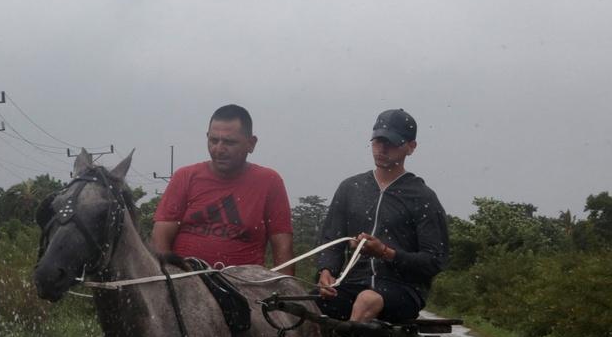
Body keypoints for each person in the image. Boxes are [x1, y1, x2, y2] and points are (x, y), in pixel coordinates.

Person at [316, 108, 448, 322]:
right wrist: (326, 272)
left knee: (367, 300)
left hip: (403, 289)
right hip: (352, 283)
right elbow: (331, 240)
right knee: (299, 304)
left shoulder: (423, 197)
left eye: (391, 143)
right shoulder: (350, 188)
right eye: (378, 141)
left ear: (411, 147)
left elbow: (434, 261)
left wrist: (386, 253)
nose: (382, 149)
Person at [152, 104, 295, 273]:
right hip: (186, 283)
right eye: (213, 140)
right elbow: (160, 240)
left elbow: (282, 246)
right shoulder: (185, 177)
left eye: (229, 142)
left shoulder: (270, 181)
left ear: (251, 144)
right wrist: (169, 281)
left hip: (244, 287)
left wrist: (281, 293)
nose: (219, 149)